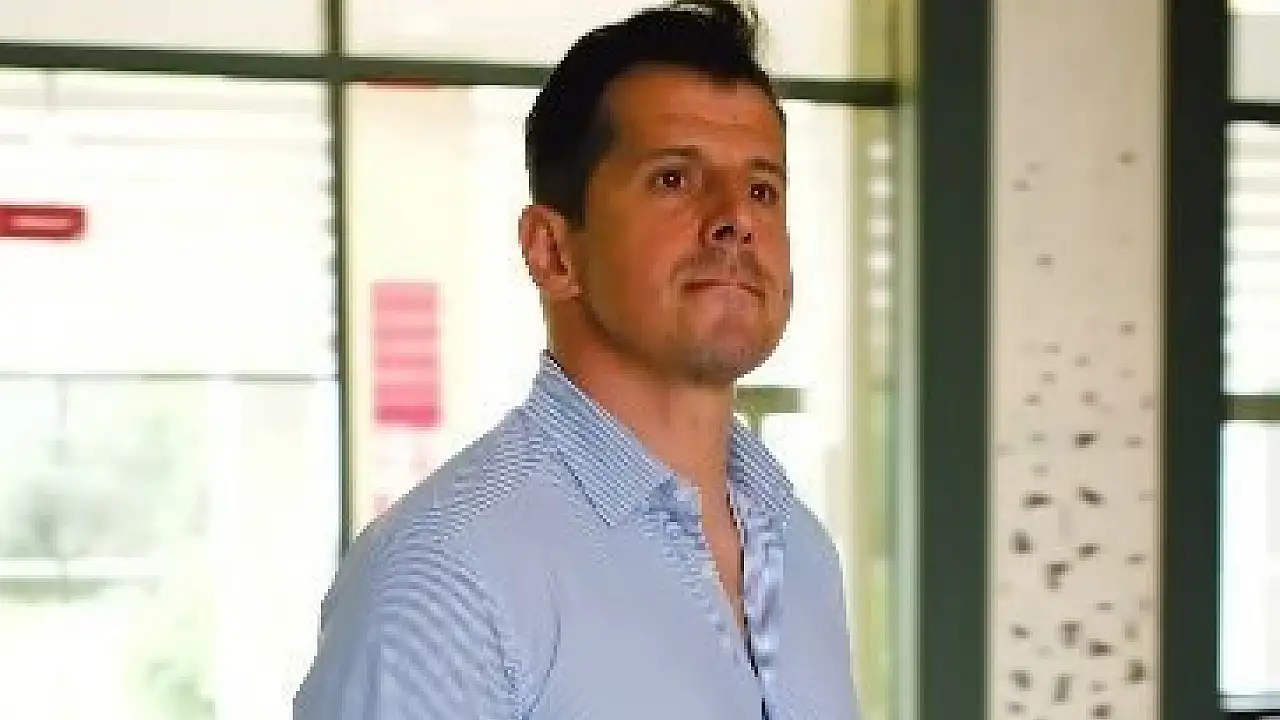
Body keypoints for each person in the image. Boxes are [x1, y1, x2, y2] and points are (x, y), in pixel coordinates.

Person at [294, 1, 859, 717]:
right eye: (674, 179)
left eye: (762, 189)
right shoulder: (445, 580)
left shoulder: (801, 554)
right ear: (553, 252)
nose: (737, 219)